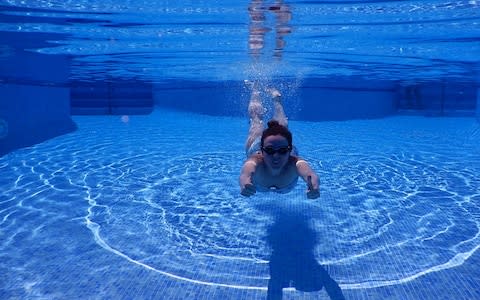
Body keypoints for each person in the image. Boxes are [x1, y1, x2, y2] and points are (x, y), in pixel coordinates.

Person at [239, 84, 320, 199]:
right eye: (270, 150)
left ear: (289, 150)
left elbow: (310, 174)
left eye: (282, 151)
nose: (276, 156)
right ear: (262, 151)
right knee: (256, 123)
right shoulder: (255, 160)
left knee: (278, 127)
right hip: (257, 145)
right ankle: (255, 90)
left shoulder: (295, 162)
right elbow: (246, 172)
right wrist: (244, 183)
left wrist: (314, 185)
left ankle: (276, 100)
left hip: (276, 144)